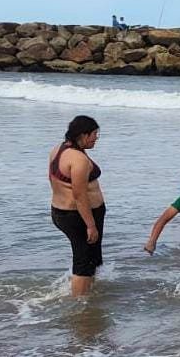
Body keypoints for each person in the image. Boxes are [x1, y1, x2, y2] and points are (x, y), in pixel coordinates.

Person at [49, 115, 105, 296]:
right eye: (94, 134)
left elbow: (52, 179)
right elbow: (79, 195)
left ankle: (88, 293)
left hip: (60, 211)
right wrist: (90, 225)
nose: (96, 138)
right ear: (83, 135)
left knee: (90, 258)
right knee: (84, 261)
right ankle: (81, 309)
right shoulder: (78, 159)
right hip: (78, 216)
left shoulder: (59, 149)